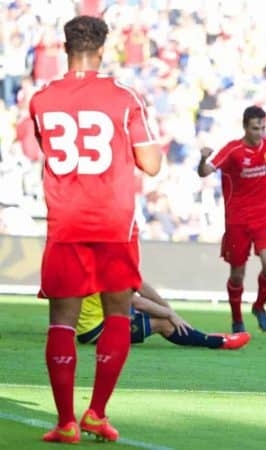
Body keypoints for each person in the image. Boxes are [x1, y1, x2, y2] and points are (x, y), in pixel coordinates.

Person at [29, 16, 162, 443]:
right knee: (117, 314)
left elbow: (42, 150)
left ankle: (65, 421)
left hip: (66, 221)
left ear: (65, 49)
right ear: (103, 50)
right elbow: (152, 164)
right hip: (113, 222)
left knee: (62, 324)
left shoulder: (41, 98)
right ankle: (96, 413)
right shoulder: (124, 97)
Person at [197, 106, 266, 333]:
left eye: (262, 127)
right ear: (245, 127)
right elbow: (205, 172)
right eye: (254, 128)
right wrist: (203, 159)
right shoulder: (233, 150)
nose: (259, 133)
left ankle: (259, 306)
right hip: (237, 221)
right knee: (237, 274)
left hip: (264, 217)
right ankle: (237, 319)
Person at [76, 281, 251, 350]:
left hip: (99, 321)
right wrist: (169, 315)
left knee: (161, 314)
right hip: (97, 330)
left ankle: (208, 336)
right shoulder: (108, 266)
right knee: (164, 324)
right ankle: (219, 342)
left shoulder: (104, 260)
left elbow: (140, 286)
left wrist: (169, 310)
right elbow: (136, 302)